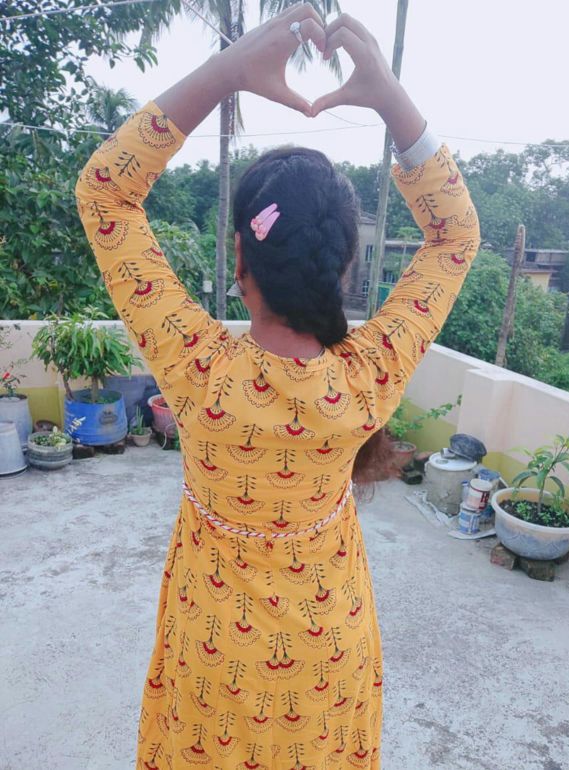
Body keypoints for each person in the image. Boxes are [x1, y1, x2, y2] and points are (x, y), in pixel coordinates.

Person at [75, 6, 480, 768]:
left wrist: (226, 72)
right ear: (344, 269)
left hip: (211, 668)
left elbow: (105, 192)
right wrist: (390, 96)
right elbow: (456, 234)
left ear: (240, 262)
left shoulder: (197, 369)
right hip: (328, 661)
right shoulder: (367, 377)